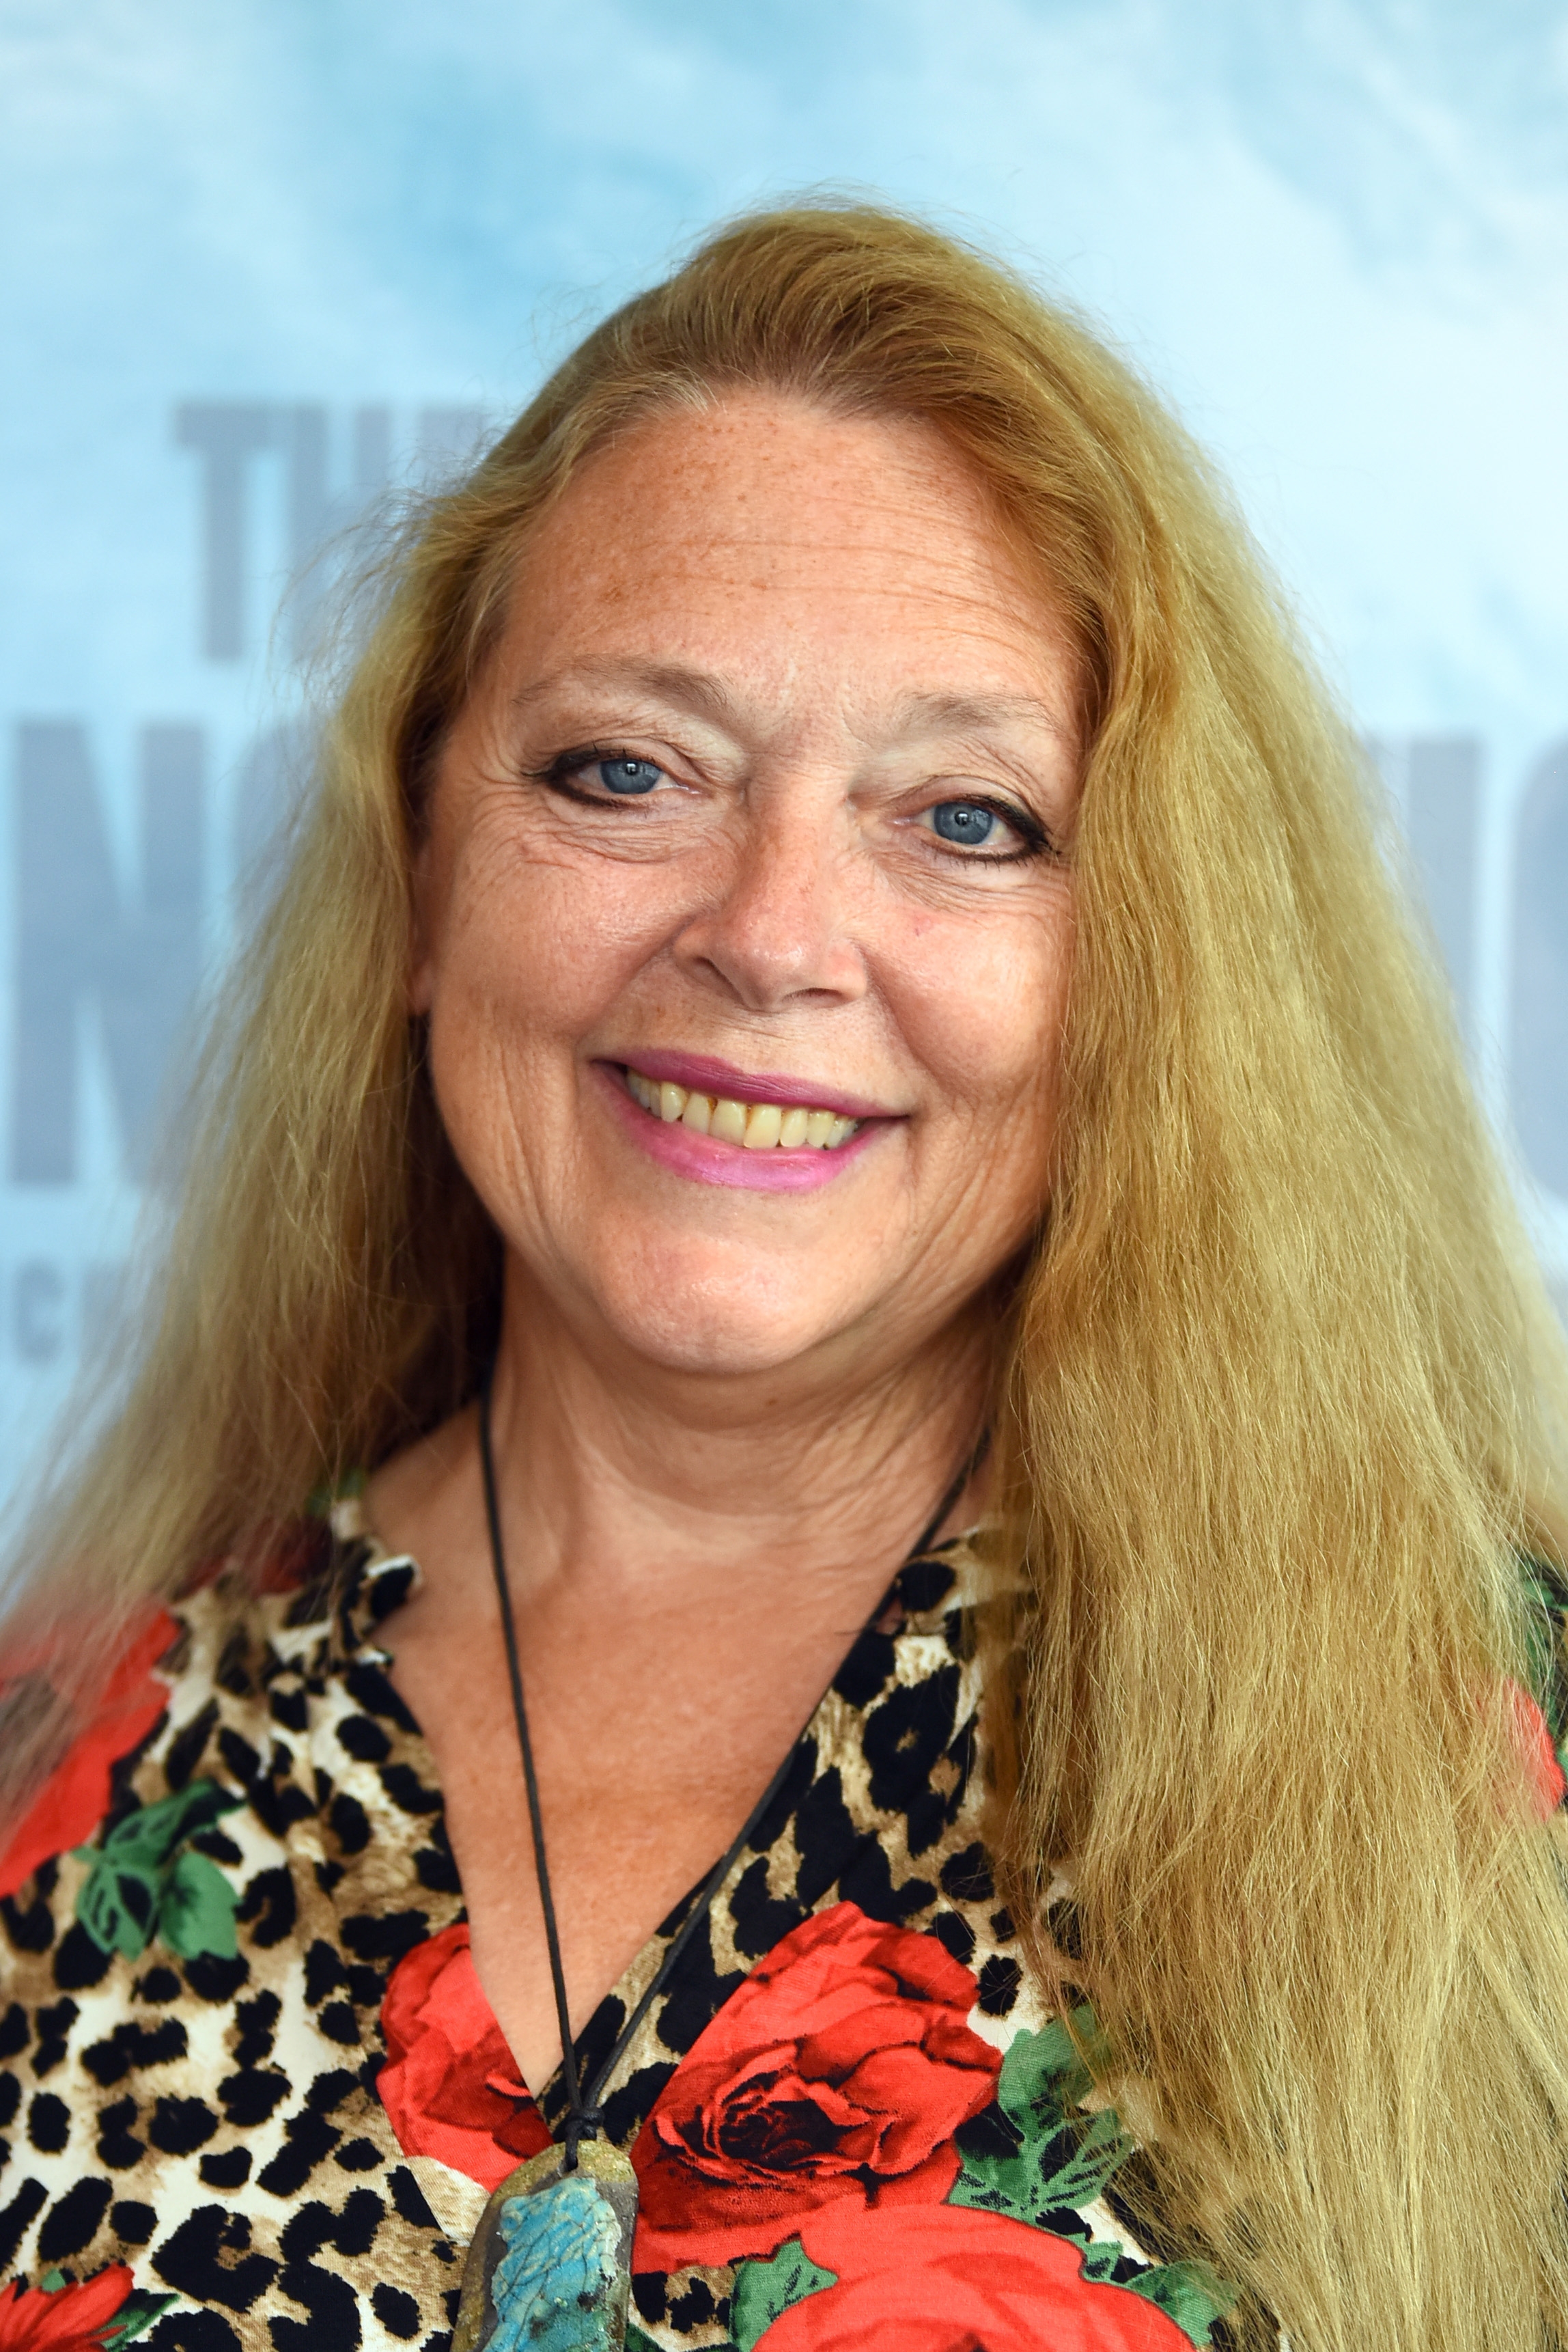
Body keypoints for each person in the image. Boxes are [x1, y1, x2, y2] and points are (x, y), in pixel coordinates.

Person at [0, 204, 1565, 2352]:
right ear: (422, 872)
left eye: (969, 819)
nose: (770, 929)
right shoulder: (54, 1761)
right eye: (627, 771)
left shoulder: (1482, 1766)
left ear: (1151, 968)